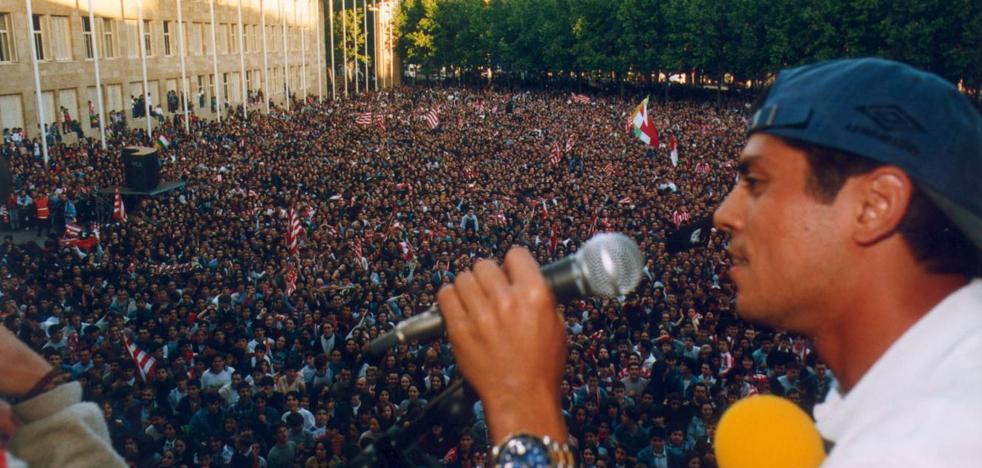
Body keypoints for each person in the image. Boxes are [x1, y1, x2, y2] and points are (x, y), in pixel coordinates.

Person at [436, 57, 981, 466]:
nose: (722, 214)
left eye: (756, 182)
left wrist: (523, 412)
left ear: (874, 205)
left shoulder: (934, 440)